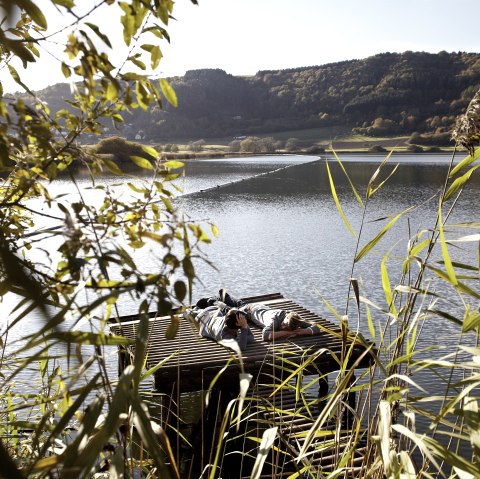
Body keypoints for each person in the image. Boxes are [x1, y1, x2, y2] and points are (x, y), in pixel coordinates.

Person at [186, 304, 254, 351]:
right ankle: (191, 310)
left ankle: (198, 309)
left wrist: (243, 328)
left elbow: (251, 337)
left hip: (216, 312)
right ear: (237, 324)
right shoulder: (224, 335)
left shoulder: (230, 320)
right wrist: (244, 328)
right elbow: (242, 347)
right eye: (243, 319)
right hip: (203, 320)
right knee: (189, 314)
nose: (244, 321)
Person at [241, 303, 321, 341]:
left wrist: (302, 331)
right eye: (284, 324)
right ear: (285, 318)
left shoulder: (295, 319)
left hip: (262, 307)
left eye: (287, 328)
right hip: (250, 311)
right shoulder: (274, 320)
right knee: (230, 310)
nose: (283, 327)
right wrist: (287, 332)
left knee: (237, 302)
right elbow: (265, 336)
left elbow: (316, 328)